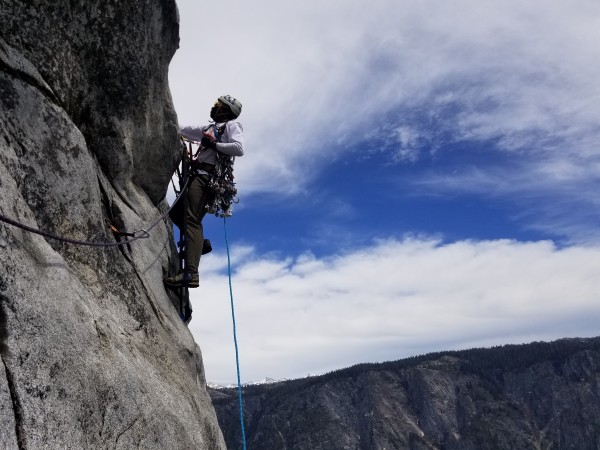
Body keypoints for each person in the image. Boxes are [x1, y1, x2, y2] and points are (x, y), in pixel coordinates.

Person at [164, 95, 245, 288]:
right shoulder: (208, 129)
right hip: (198, 176)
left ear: (226, 111)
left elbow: (239, 148)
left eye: (218, 106)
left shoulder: (232, 127)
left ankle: (190, 274)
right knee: (176, 214)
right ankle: (200, 244)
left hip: (207, 179)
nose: (214, 108)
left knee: (191, 219)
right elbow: (182, 129)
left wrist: (214, 145)